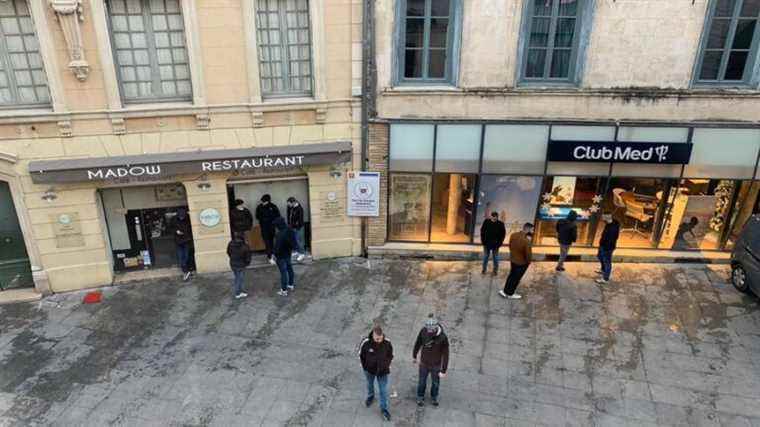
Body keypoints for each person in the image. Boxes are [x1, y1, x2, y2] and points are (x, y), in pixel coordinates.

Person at [413, 314, 449, 407]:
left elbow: (446, 354)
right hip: (424, 363)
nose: (429, 333)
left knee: (435, 383)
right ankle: (420, 396)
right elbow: (418, 342)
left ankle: (434, 397)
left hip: (436, 365)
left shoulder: (443, 338)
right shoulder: (424, 331)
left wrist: (443, 370)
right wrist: (414, 355)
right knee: (421, 382)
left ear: (436, 328)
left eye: (431, 332)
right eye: (428, 331)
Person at [359, 326, 393, 422]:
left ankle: (384, 409)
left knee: (383, 390)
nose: (379, 340)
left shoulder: (387, 342)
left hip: (383, 371)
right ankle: (371, 396)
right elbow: (361, 355)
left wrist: (387, 364)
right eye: (377, 338)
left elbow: (390, 355)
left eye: (380, 338)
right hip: (369, 370)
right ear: (373, 335)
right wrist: (365, 367)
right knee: (369, 384)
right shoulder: (365, 343)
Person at [499, 223, 534, 300]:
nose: (533, 231)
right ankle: (510, 293)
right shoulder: (526, 241)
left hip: (513, 259)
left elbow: (510, 246)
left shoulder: (513, 235)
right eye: (532, 230)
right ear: (528, 229)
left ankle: (505, 290)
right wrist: (528, 262)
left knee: (511, 275)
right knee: (516, 278)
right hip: (522, 263)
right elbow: (528, 255)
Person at [273, 217, 298, 296]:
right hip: (288, 253)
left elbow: (277, 248)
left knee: (283, 273)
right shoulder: (290, 230)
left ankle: (283, 290)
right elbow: (294, 243)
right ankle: (290, 284)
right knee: (289, 268)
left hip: (280, 256)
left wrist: (274, 255)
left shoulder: (280, 234)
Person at [255, 194, 280, 265]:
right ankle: (270, 257)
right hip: (264, 227)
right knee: (267, 242)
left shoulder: (273, 206)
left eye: (264, 201)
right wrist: (264, 220)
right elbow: (257, 216)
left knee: (271, 242)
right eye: (262, 201)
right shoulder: (260, 207)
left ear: (268, 201)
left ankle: (272, 255)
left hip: (271, 227)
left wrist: (273, 222)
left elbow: (278, 215)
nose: (263, 203)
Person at [596, 214, 620, 284]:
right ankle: (603, 269)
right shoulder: (608, 224)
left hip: (607, 247)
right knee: (599, 256)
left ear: (607, 218)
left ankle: (605, 278)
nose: (602, 219)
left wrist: (606, 247)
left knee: (607, 262)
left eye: (603, 218)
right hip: (603, 245)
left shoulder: (613, 228)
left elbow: (613, 238)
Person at [226, 232, 251, 299]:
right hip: (241, 265)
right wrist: (247, 263)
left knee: (238, 277)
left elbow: (228, 252)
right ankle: (238, 292)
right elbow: (248, 257)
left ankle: (241, 291)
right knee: (240, 279)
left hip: (233, 264)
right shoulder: (245, 246)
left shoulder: (231, 243)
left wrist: (232, 258)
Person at [173, 208, 193, 281]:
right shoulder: (174, 219)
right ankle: (185, 272)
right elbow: (171, 228)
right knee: (181, 257)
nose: (182, 217)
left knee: (186, 256)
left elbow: (191, 229)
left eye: (183, 216)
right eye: (181, 216)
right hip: (178, 241)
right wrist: (176, 231)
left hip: (186, 240)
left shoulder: (188, 219)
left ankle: (187, 271)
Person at [286, 197, 306, 262]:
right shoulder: (291, 208)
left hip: (298, 228)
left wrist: (295, 227)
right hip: (292, 227)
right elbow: (290, 217)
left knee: (299, 241)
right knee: (295, 240)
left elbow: (300, 220)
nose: (288, 205)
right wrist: (290, 225)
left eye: (289, 203)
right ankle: (297, 251)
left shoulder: (299, 209)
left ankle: (302, 254)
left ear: (293, 202)